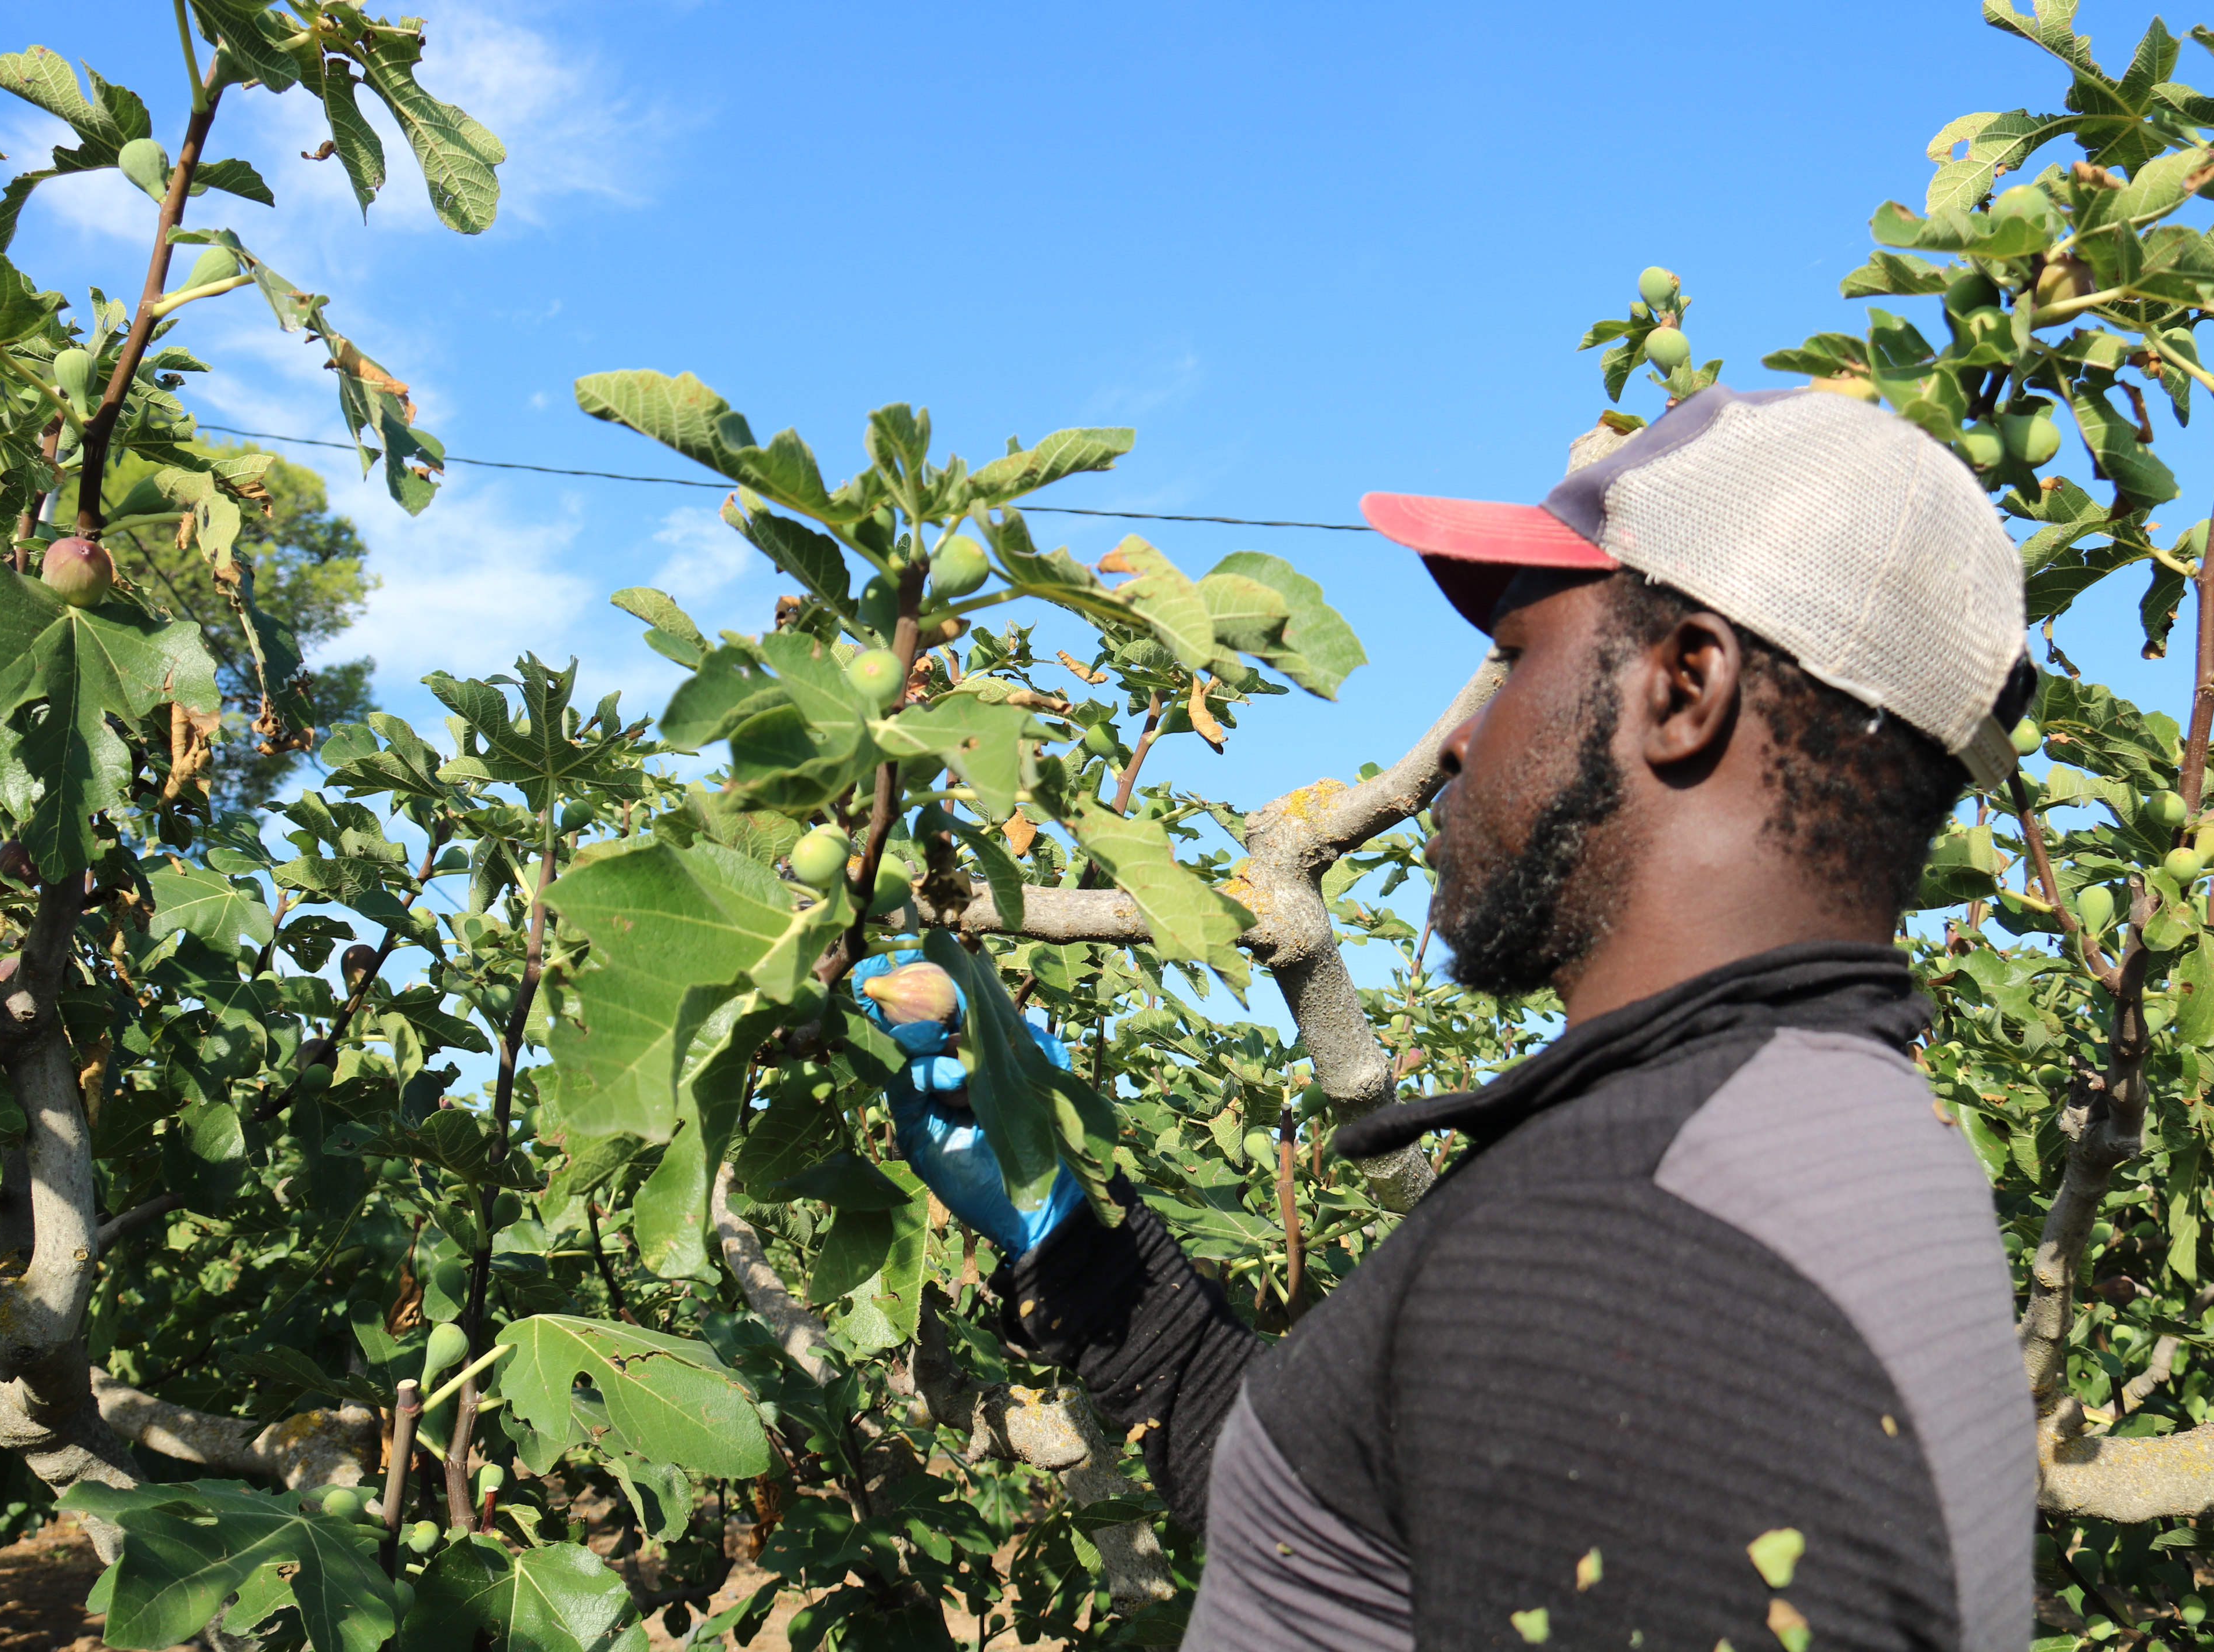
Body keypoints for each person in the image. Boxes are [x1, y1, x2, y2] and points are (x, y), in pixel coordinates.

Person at [855, 385, 2039, 1651]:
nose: (1464, 740)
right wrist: (1070, 1234)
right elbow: (1360, 1539)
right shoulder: (1832, 1146)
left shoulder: (1637, 1250)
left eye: (1521, 656)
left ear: (1685, 686)